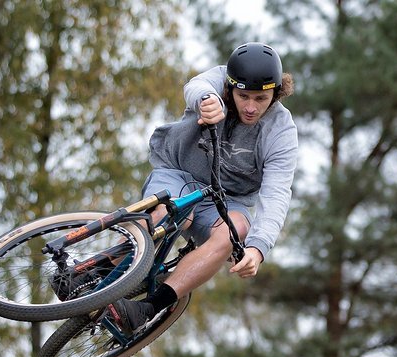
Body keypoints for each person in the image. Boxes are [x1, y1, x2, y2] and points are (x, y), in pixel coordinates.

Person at [106, 42, 298, 334]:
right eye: (243, 95)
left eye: (261, 98)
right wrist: (208, 100)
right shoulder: (217, 84)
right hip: (178, 174)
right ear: (230, 87)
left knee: (238, 230)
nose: (250, 106)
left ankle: (147, 308)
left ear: (276, 93)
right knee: (172, 212)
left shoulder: (281, 132)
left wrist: (259, 249)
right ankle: (100, 267)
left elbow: (277, 193)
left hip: (224, 199)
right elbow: (196, 86)